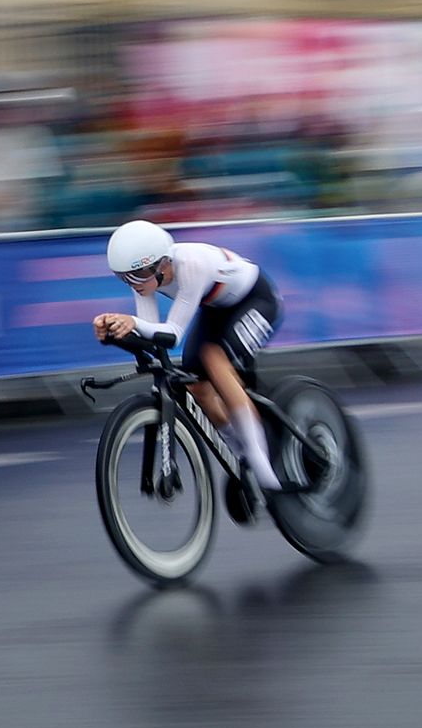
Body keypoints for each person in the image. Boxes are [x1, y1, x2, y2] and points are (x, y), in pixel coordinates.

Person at [94, 217, 283, 519]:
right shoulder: (144, 278)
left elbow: (171, 335)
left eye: (139, 275)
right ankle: (242, 451)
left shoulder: (190, 265)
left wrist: (132, 324)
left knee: (213, 359)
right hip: (216, 309)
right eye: (126, 278)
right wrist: (115, 331)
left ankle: (263, 469)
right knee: (196, 387)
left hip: (256, 299)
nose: (135, 284)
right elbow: (152, 333)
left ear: (162, 264)